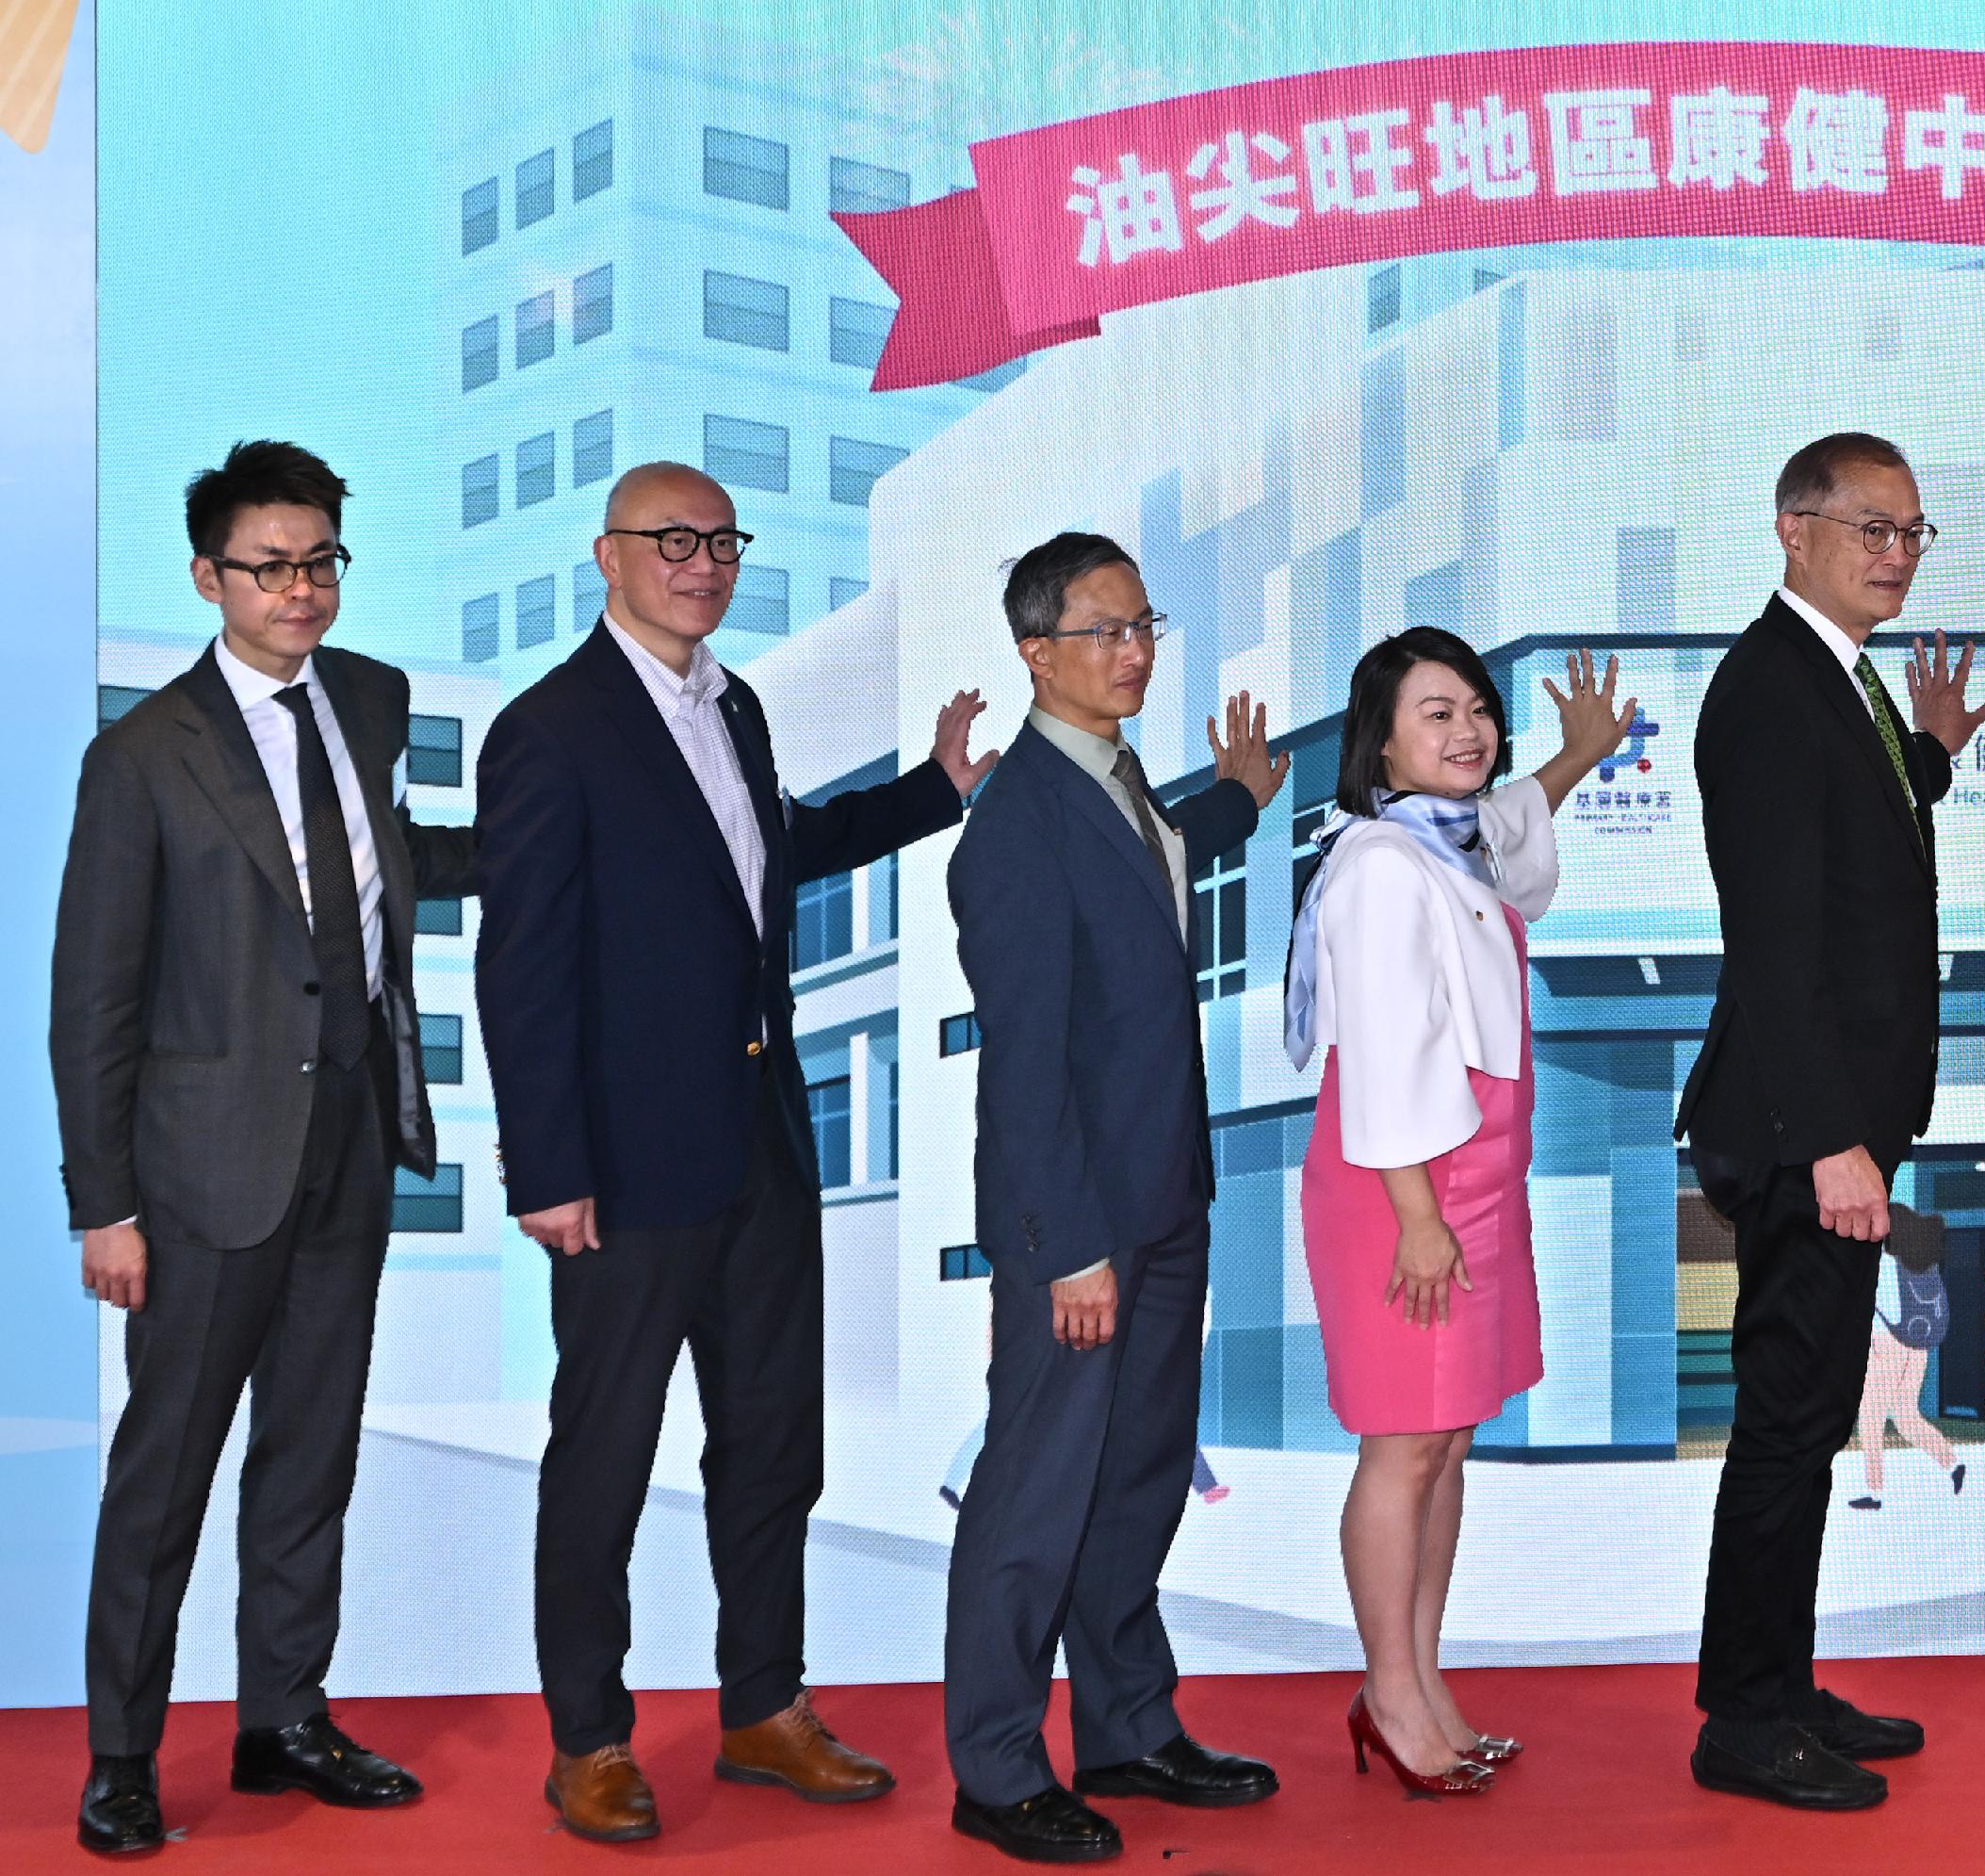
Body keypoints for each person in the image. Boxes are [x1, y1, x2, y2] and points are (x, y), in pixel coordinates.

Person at [479, 462, 991, 1845]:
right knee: (603, 1457)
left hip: (762, 1151)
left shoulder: (736, 703)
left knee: (771, 1450)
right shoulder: (551, 728)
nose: (701, 562)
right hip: (623, 1175)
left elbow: (776, 849)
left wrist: (931, 791)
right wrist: (545, 1168)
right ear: (609, 555)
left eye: (720, 540)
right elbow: (520, 969)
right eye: (672, 541)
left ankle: (766, 1704)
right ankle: (587, 1736)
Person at [54, 442, 479, 1857]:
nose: (299, 590)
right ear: (207, 577)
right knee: (164, 1473)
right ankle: (122, 1752)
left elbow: (377, 883)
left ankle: (283, 1715)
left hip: (348, 1146)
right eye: (269, 566)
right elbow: (93, 998)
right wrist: (102, 1204)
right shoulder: (140, 756)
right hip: (196, 1177)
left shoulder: (372, 700)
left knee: (311, 1452)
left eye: (320, 562)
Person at [940, 532, 1288, 1862]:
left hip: (1165, 1198)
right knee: (1035, 1494)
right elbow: (1026, 1060)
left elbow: (1158, 859)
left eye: (1144, 624)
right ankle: (997, 1764)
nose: (1135, 648)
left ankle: (1132, 1725)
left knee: (1136, 1480)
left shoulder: (1120, 782)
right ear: (1036, 652)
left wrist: (1242, 797)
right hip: (1077, 1228)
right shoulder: (1017, 818)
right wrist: (1065, 1245)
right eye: (1106, 629)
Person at [1677, 432, 1985, 1813]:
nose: (1897, 553)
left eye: (1916, 532)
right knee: (1785, 1417)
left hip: (1833, 1119)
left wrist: (1923, 759)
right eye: (1872, 525)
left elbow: (1849, 841)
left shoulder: (1837, 684)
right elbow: (1775, 938)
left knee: (1803, 1421)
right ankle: (1744, 1717)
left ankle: (1780, 1677)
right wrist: (1828, 1136)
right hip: (1802, 1127)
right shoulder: (1767, 689)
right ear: (1792, 525)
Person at [1287, 631, 1635, 1795]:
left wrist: (1576, 758)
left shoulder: (1445, 842)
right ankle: (1389, 1694)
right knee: (1404, 1444)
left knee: (1445, 1441)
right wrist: (1418, 1218)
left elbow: (1513, 842)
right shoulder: (1382, 862)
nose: (1468, 732)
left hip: (1469, 1181)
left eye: (1477, 710)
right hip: (1406, 1189)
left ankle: (1420, 1676)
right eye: (1434, 714)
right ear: (1377, 740)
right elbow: (1385, 1050)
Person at [1847, 1206, 1963, 1512]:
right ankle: (1952, 1464)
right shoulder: (1921, 1264)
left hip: (1886, 1345)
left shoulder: (1882, 1265)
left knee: (1871, 1418)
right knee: (1906, 1418)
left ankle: (1874, 1493)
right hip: (1917, 1346)